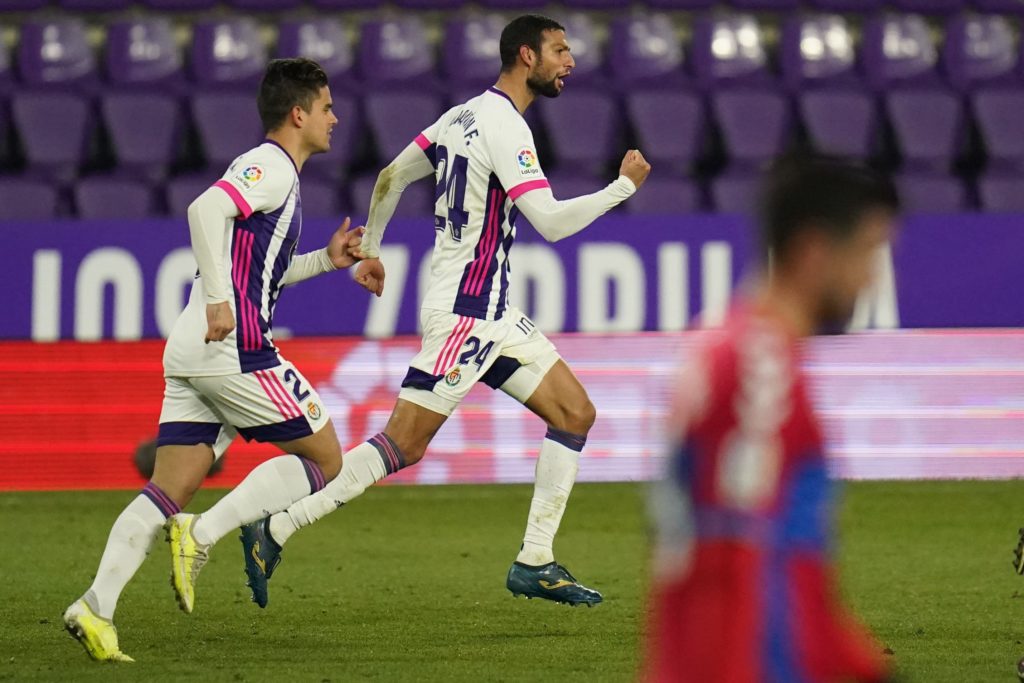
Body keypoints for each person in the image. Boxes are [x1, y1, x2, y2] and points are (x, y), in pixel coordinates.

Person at [189, 14, 652, 611]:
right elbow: (552, 223)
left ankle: (535, 559)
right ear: (526, 56)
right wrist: (622, 187)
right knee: (402, 445)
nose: (570, 61)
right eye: (560, 50)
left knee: (575, 413)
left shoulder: (459, 117)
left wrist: (373, 249)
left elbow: (392, 175)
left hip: (494, 311)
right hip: (467, 313)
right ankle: (276, 527)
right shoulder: (507, 127)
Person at [63, 57, 364, 662]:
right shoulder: (270, 167)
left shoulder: (278, 176)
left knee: (167, 487)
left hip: (195, 348)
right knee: (327, 458)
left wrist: (327, 261)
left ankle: (95, 607)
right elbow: (203, 210)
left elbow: (265, 275)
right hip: (234, 347)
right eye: (327, 107)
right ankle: (202, 535)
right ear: (298, 113)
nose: (336, 117)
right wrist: (222, 302)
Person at [645, 156, 897, 682]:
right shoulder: (759, 370)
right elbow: (733, 567)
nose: (872, 278)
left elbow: (793, 570)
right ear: (815, 251)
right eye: (868, 254)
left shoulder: (736, 348)